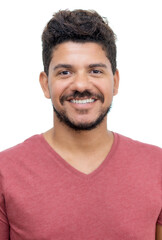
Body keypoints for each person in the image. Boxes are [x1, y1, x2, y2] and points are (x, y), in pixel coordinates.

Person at [0, 9, 162, 240]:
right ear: (45, 84)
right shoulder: (5, 171)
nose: (81, 84)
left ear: (114, 81)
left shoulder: (157, 166)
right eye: (65, 72)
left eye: (95, 71)